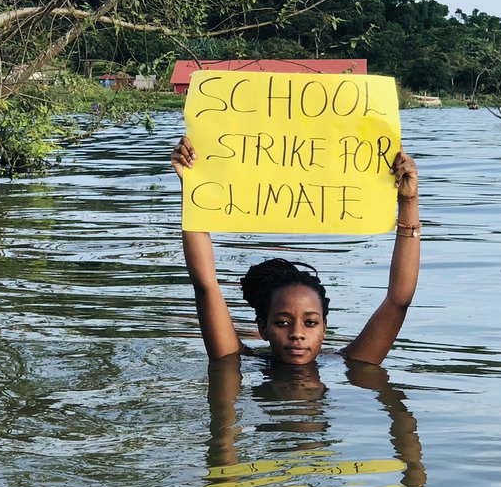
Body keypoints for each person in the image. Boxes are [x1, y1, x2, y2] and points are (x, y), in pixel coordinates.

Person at [171, 134, 421, 366]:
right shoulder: (238, 362)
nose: (297, 335)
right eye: (282, 323)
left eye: (310, 322)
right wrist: (192, 186)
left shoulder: (350, 363)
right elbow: (206, 285)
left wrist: (408, 201)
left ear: (324, 328)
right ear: (263, 328)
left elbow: (399, 300)